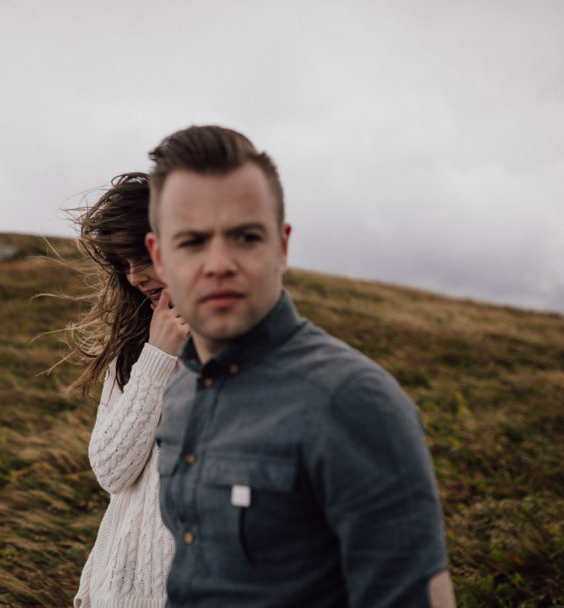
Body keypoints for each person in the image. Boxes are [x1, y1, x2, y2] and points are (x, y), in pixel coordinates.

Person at [144, 126, 455, 607]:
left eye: (246, 236)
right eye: (193, 241)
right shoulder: (181, 396)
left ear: (282, 246)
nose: (219, 262)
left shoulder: (355, 401)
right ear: (159, 258)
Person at [68, 172, 189, 607]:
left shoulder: (248, 347)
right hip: (119, 592)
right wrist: (157, 357)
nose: (135, 276)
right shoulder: (134, 351)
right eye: (124, 264)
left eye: (143, 257)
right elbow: (111, 471)